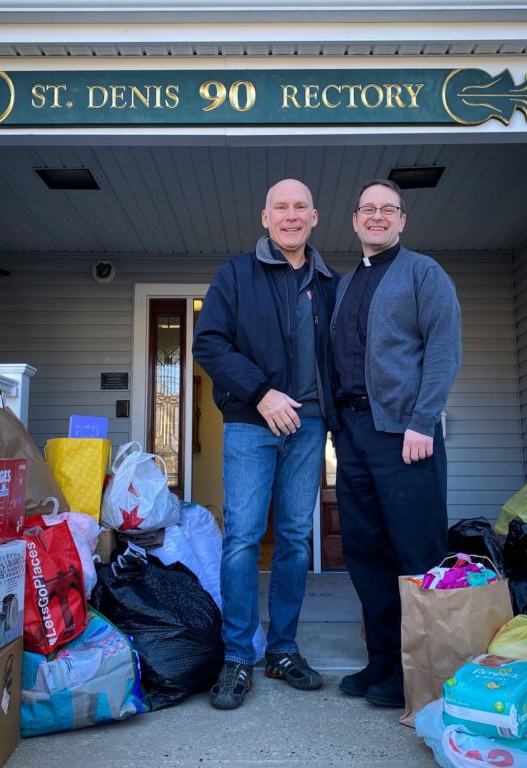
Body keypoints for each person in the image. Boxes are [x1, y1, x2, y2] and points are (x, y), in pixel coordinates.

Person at [192, 179, 339, 710]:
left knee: (298, 538)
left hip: (309, 426)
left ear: (315, 217)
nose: (291, 215)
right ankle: (237, 656)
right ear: (265, 216)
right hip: (252, 423)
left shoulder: (329, 283)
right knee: (243, 538)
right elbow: (207, 341)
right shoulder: (236, 274)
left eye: (301, 206)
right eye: (282, 206)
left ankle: (281, 649)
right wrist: (261, 392)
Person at [331, 179, 461, 708]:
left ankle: (423, 672)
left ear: (402, 221)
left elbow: (444, 349)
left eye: (389, 209)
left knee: (417, 555)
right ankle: (383, 661)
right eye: (369, 209)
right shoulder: (343, 285)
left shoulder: (423, 273)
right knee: (365, 553)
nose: (378, 217)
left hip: (407, 435)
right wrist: (339, 428)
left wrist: (422, 421)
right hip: (355, 436)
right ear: (356, 219)